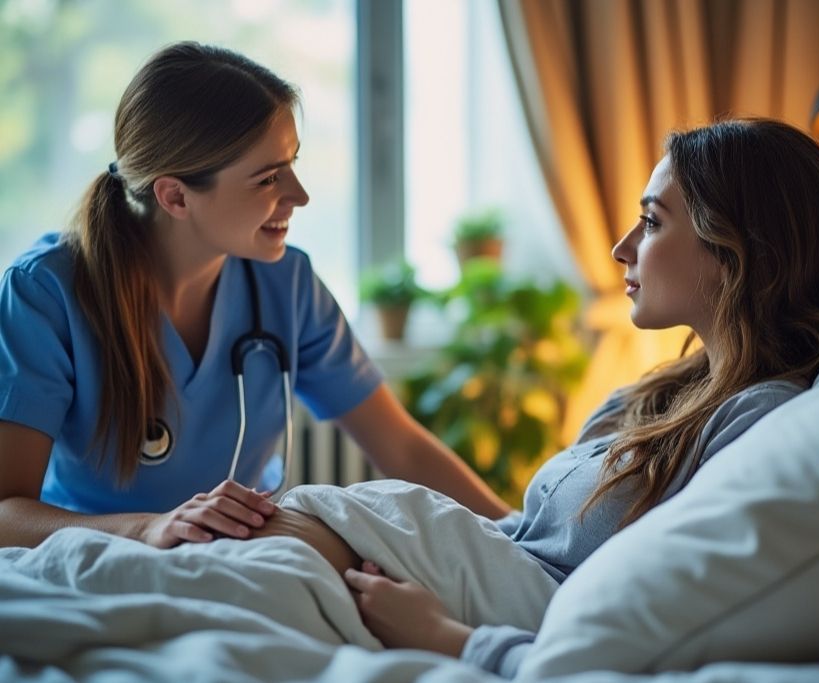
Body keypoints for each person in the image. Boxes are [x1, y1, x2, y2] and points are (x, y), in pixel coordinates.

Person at [332, 118, 819, 674]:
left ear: (737, 250)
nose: (620, 248)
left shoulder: (758, 425)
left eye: (652, 224)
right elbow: (528, 537)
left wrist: (449, 639)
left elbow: (655, 634)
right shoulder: (663, 391)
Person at [0, 41, 509, 551]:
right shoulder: (45, 293)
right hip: (94, 564)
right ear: (175, 195)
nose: (299, 194)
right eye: (268, 177)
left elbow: (402, 448)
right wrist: (148, 528)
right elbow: (7, 514)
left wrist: (523, 536)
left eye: (291, 164)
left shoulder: (287, 284)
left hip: (243, 560)